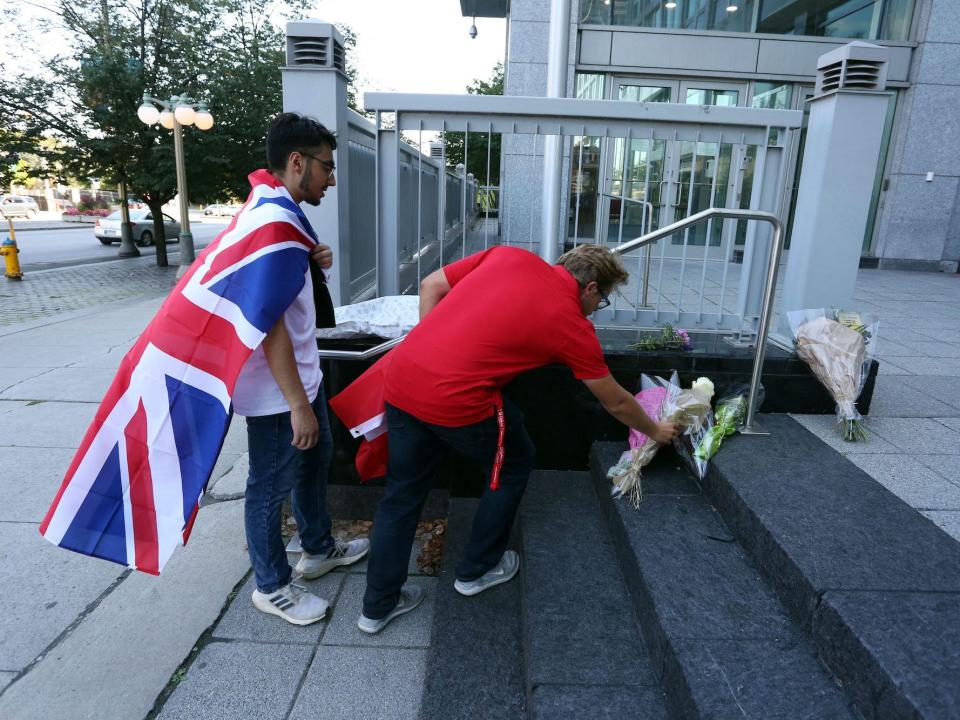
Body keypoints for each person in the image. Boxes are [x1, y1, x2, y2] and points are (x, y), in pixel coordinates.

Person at [357, 244, 678, 633]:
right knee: (513, 463)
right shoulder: (571, 325)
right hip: (456, 399)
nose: (598, 307)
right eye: (603, 299)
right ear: (591, 288)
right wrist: (656, 430)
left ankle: (376, 608)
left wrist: (431, 350)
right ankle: (476, 570)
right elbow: (615, 401)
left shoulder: (508, 255)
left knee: (402, 494)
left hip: (403, 378)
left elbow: (430, 285)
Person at [233, 112, 368, 626]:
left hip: (299, 379)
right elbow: (267, 323)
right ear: (297, 162)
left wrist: (315, 259)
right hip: (277, 391)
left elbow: (286, 289)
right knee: (268, 484)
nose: (331, 178)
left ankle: (316, 549)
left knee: (315, 462)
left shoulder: (278, 210)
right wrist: (297, 406)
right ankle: (270, 586)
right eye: (327, 167)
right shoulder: (271, 222)